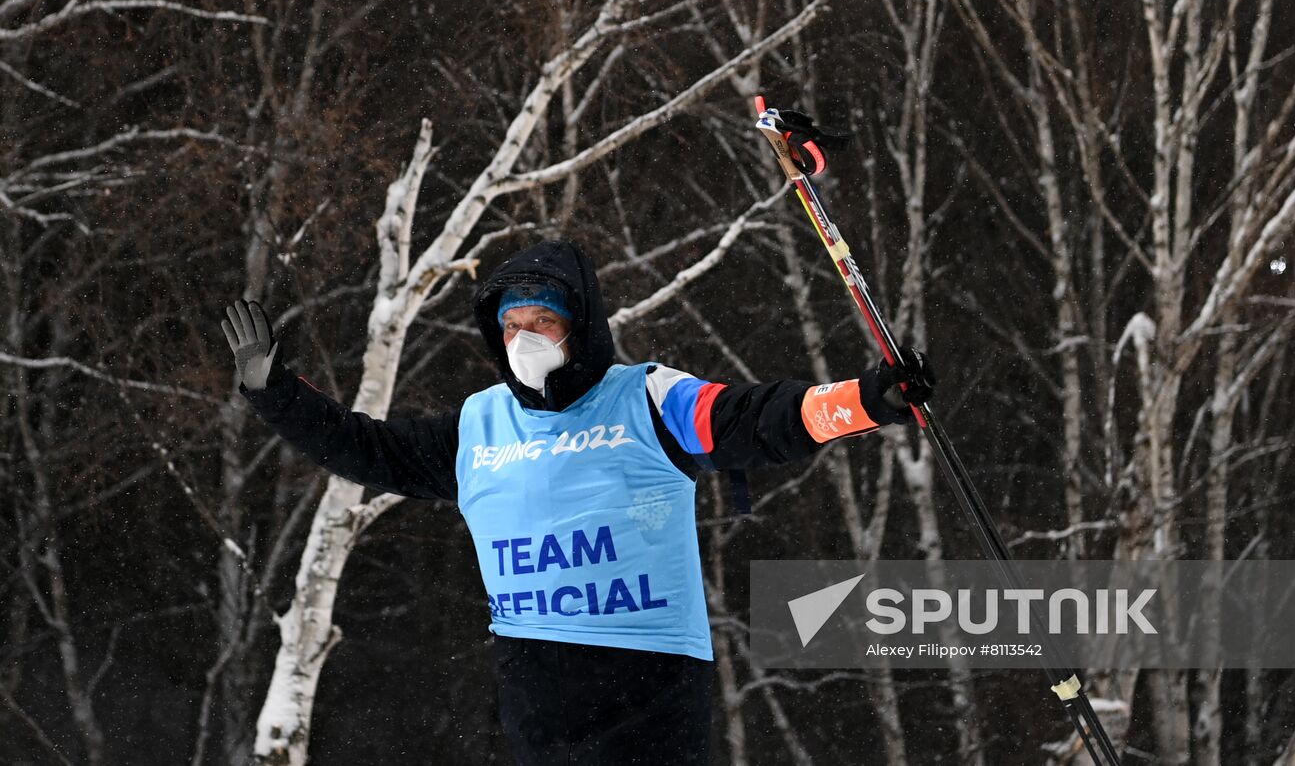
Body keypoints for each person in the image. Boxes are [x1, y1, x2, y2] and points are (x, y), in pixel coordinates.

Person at [222, 239, 935, 765]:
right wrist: (271, 389)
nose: (524, 339)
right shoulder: (478, 425)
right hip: (537, 694)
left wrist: (869, 400)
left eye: (544, 322)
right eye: (511, 326)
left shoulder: (648, 397)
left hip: (647, 689)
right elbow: (364, 451)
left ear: (581, 325)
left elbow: (760, 419)